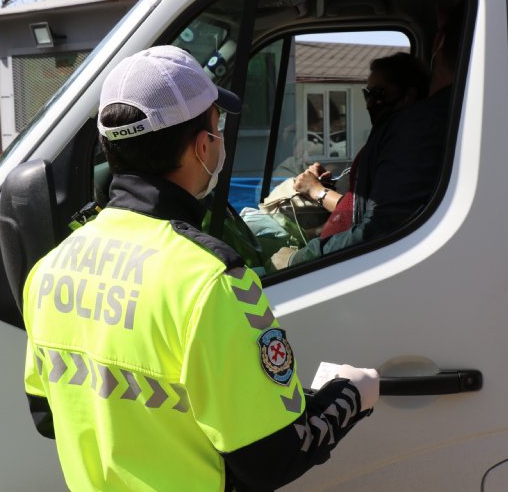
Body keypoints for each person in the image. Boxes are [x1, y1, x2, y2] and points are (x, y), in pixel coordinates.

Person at [21, 45, 379, 491]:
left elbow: (47, 415)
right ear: (201, 146)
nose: (219, 137)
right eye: (217, 125)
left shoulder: (53, 267)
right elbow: (273, 456)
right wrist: (348, 394)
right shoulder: (211, 281)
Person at [271, 0, 462, 269]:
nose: (371, 103)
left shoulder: (414, 131)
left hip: (348, 266)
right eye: (367, 94)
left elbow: (381, 228)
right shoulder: (398, 131)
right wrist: (333, 187)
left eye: (379, 94)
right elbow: (367, 206)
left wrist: (300, 258)